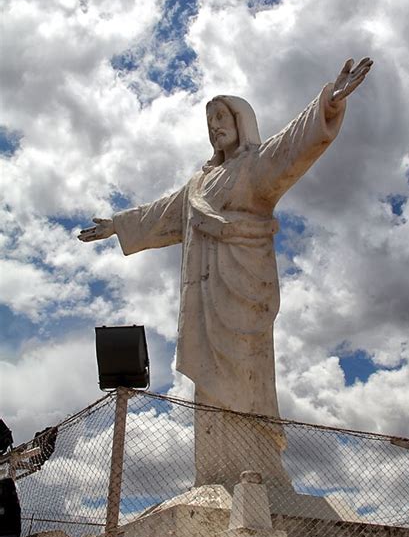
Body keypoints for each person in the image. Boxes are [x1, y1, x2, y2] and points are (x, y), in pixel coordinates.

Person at [79, 57, 373, 492]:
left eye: (222, 117)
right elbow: (162, 212)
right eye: (210, 120)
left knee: (245, 383)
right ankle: (213, 479)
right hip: (202, 300)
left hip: (242, 293)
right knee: (210, 390)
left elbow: (293, 145)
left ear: (240, 120)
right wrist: (118, 225)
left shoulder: (255, 166)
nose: (215, 126)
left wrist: (327, 104)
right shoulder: (199, 184)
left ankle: (259, 480)